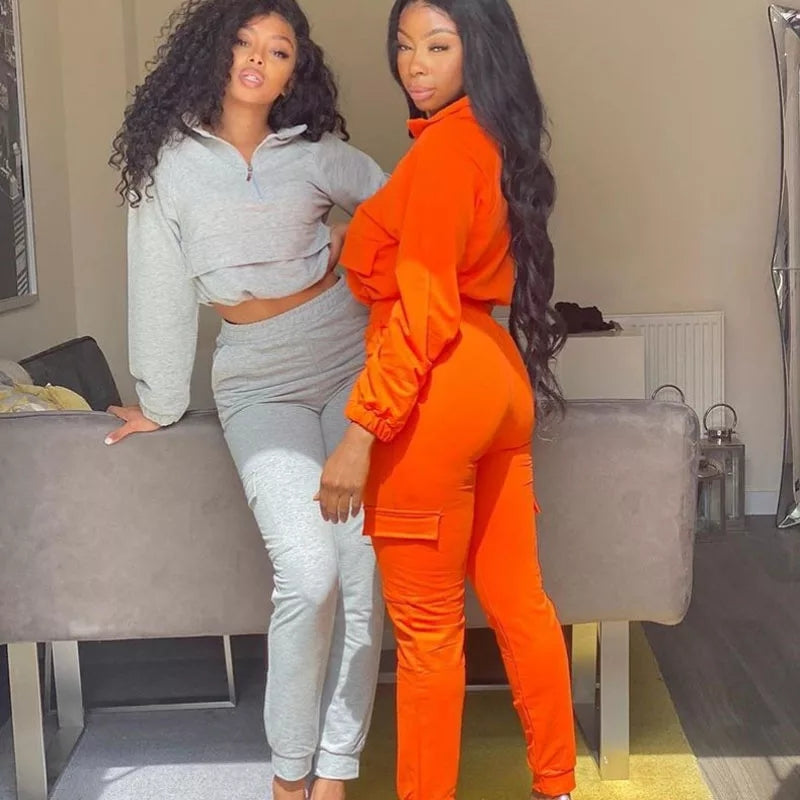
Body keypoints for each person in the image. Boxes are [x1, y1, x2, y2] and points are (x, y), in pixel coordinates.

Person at [106, 2, 386, 798]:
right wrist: (161, 400)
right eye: (244, 42)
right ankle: (288, 776)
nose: (259, 59)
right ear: (214, 52)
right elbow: (159, 286)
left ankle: (334, 772)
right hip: (257, 376)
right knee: (308, 571)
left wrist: (355, 244)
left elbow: (407, 210)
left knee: (362, 567)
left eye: (279, 50)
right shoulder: (167, 164)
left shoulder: (318, 154)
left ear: (295, 73)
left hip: (346, 353)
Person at [315, 1, 577, 798]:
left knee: (427, 638)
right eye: (404, 46)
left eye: (437, 46)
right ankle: (557, 785)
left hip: (439, 390)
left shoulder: (439, 155)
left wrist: (360, 433)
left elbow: (422, 308)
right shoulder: (490, 143)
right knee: (520, 604)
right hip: (494, 374)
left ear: (478, 52)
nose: (414, 64)